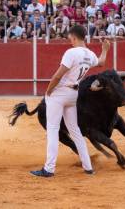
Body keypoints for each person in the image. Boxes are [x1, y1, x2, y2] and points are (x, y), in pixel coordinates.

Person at [30, 25, 110, 177]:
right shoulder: (90, 54)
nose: (70, 41)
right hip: (73, 95)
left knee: (53, 130)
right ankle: (88, 167)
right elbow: (101, 62)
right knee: (76, 132)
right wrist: (105, 49)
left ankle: (49, 169)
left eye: (70, 39)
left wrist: (48, 91)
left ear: (74, 37)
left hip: (59, 93)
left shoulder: (71, 52)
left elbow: (58, 75)